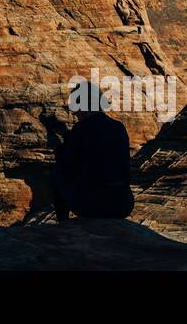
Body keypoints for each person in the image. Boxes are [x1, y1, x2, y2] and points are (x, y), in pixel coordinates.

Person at [49, 80, 135, 220]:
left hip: (94, 205)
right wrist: (67, 135)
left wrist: (58, 147)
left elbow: (67, 165)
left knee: (57, 171)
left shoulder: (80, 130)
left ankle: (62, 223)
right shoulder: (118, 127)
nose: (73, 111)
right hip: (123, 204)